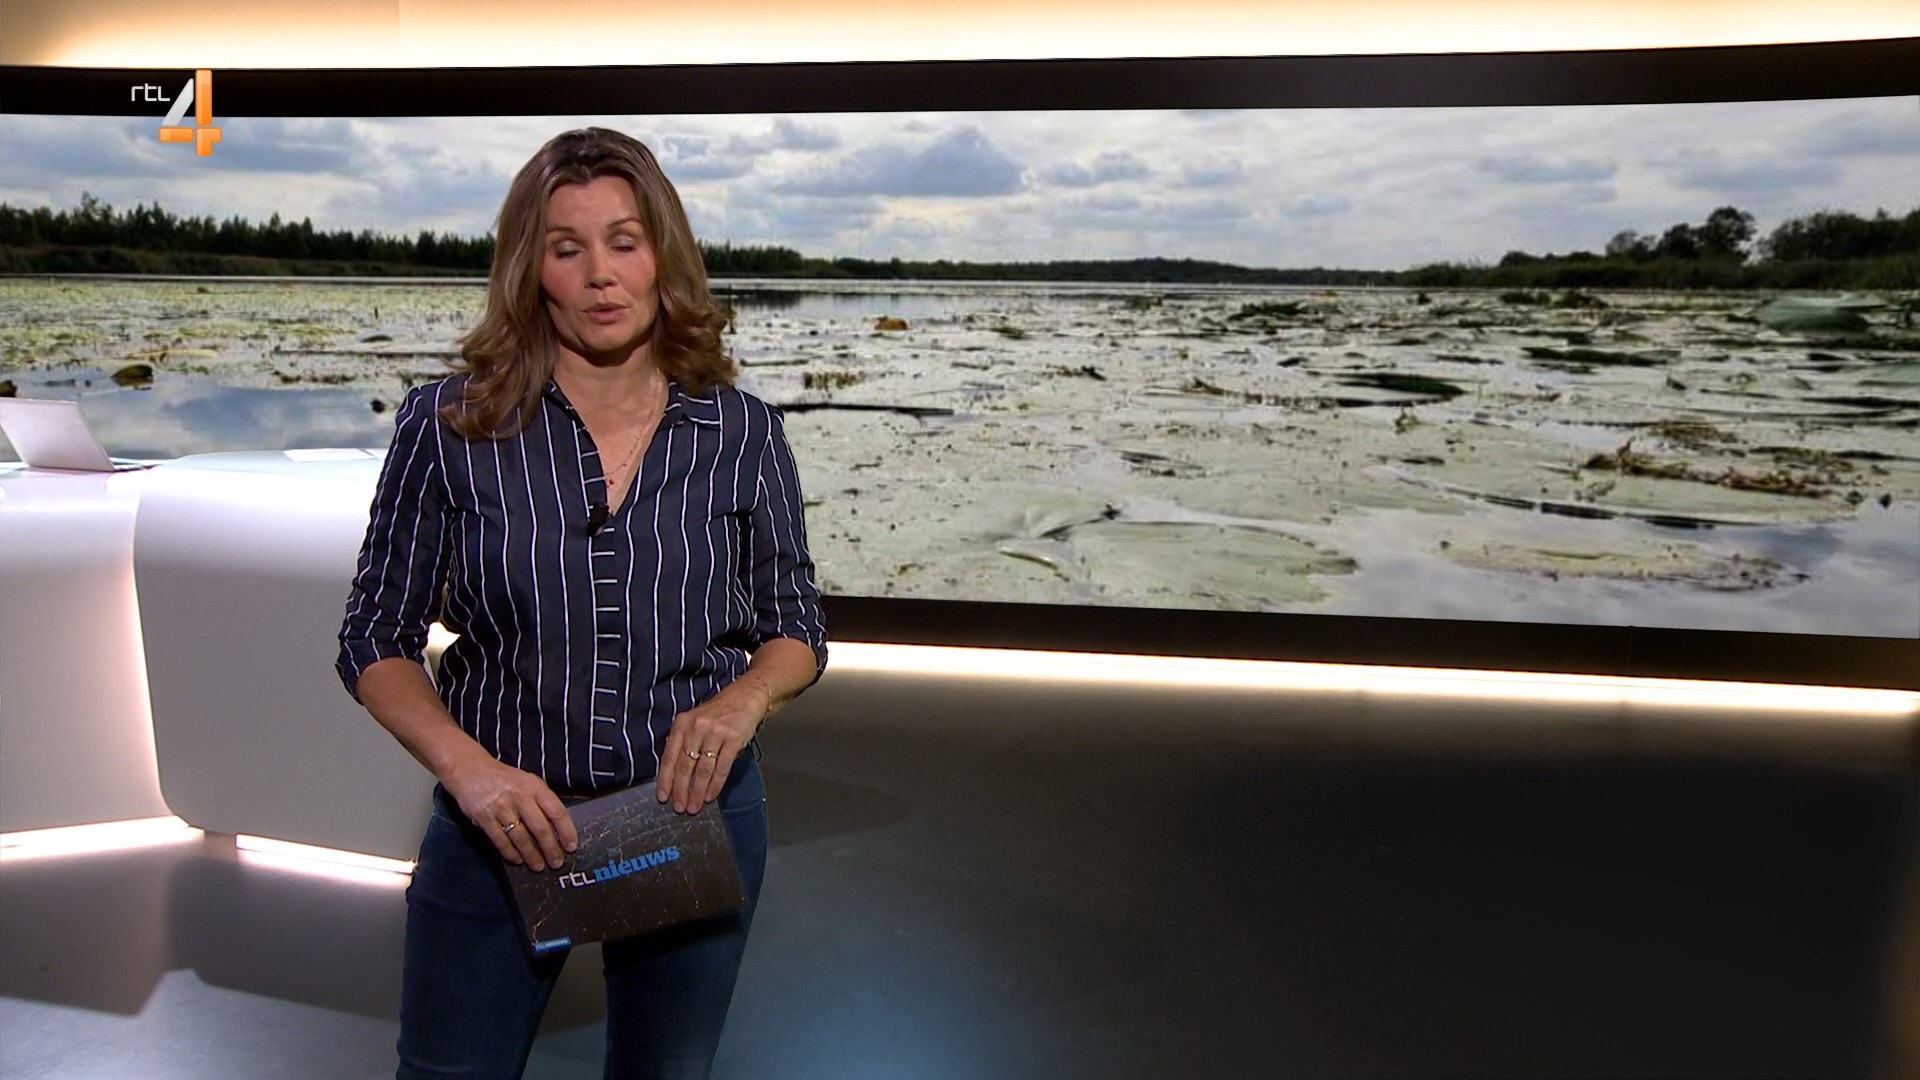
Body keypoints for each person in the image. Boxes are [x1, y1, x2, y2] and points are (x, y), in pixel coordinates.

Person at [336, 126, 828, 1080]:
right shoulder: (448, 427)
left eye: (625, 242)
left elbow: (795, 625)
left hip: (687, 816)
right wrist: (473, 774)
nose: (601, 274)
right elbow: (373, 638)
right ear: (532, 270)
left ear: (663, 258)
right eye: (568, 249)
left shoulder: (741, 432)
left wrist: (743, 702)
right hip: (500, 830)